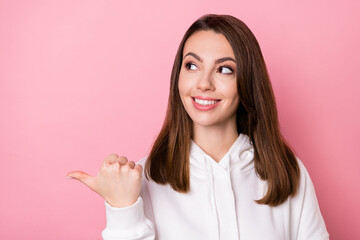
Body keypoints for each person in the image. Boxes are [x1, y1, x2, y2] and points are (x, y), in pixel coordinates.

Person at [66, 14, 330, 240]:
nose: (204, 83)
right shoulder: (145, 177)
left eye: (224, 70)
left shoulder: (288, 173)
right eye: (192, 65)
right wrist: (122, 208)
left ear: (248, 81)